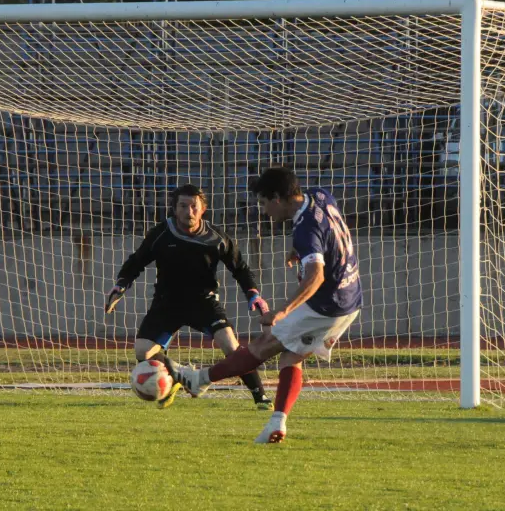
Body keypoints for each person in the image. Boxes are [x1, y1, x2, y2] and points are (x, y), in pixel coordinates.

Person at [174, 167, 362, 444]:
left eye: (263, 203)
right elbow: (329, 232)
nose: (263, 211)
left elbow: (316, 275)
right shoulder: (320, 195)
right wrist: (302, 251)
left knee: (263, 345)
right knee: (290, 357)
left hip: (327, 304)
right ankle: (277, 423)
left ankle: (199, 379)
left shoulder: (305, 229)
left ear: (277, 198)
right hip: (350, 294)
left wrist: (282, 311)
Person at [105, 184, 272, 410]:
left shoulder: (216, 237)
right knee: (142, 351)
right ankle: (178, 375)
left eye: (194, 206)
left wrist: (253, 294)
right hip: (167, 302)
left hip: (203, 301)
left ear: (203, 209)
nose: (189, 211)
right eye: (183, 206)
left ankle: (260, 397)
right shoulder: (161, 233)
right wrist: (120, 286)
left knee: (230, 345)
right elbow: (137, 261)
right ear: (174, 209)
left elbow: (240, 268)